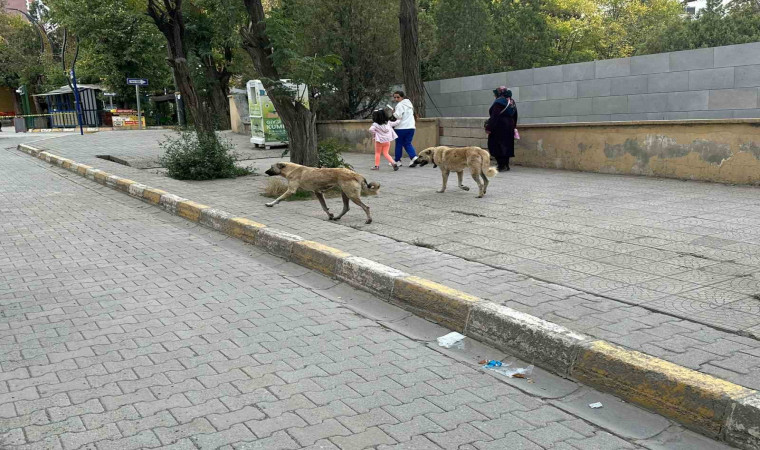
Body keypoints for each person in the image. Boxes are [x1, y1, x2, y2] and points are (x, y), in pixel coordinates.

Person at [485, 86, 518, 172]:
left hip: (499, 126)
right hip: (509, 126)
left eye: (495, 94)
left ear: (499, 93)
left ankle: (501, 165)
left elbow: (494, 116)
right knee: (507, 145)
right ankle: (506, 165)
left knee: (495, 144)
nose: (494, 95)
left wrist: (489, 128)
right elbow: (515, 115)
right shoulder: (511, 101)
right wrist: (514, 127)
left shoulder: (498, 102)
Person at [391, 91, 418, 167]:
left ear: (402, 97)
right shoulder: (409, 104)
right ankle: (414, 157)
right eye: (395, 97)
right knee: (407, 143)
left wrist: (393, 112)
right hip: (411, 127)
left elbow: (397, 116)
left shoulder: (400, 105)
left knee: (399, 144)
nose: (396, 99)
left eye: (398, 97)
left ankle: (397, 161)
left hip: (401, 128)